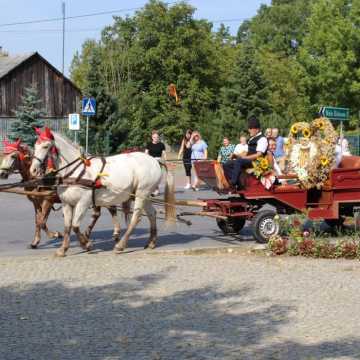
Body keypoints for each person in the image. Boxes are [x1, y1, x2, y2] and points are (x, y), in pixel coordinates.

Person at [223, 116, 268, 188]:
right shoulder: (251, 139)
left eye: (250, 128)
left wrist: (244, 158)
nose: (249, 130)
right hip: (248, 160)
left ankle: (233, 182)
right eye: (249, 128)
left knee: (239, 161)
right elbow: (246, 152)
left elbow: (259, 155)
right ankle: (237, 182)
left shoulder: (262, 139)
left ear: (257, 129)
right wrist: (236, 155)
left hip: (257, 162)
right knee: (227, 164)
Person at [145, 130, 166, 195]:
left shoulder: (161, 145)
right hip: (151, 162)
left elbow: (164, 154)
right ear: (152, 137)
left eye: (157, 137)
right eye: (154, 137)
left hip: (158, 161)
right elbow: (146, 153)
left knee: (156, 176)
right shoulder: (149, 144)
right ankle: (152, 189)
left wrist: (165, 160)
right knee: (150, 177)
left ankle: (156, 190)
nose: (156, 138)